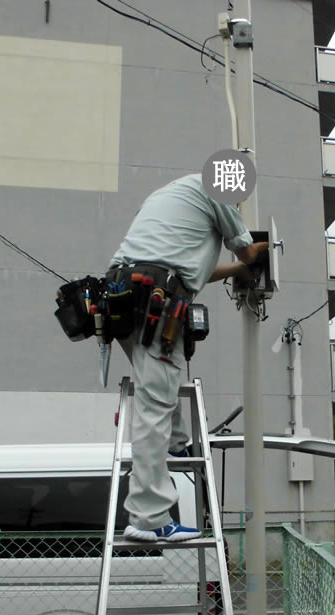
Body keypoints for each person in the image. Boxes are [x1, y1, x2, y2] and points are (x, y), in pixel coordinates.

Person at [108, 173, 268, 542]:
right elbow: (245, 249)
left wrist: (238, 270)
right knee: (155, 403)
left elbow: (201, 270)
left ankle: (177, 444)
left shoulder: (168, 197)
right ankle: (148, 518)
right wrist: (262, 252)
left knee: (159, 385)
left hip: (121, 293)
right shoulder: (216, 189)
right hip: (157, 298)